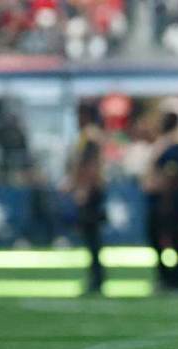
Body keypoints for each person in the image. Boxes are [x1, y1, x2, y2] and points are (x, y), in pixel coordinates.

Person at [143, 97, 178, 294]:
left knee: (168, 237)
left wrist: (166, 198)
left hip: (169, 195)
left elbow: (172, 170)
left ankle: (172, 278)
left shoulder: (177, 140)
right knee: (169, 237)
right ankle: (170, 277)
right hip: (170, 194)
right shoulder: (174, 138)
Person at [70, 100, 107, 295]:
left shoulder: (90, 136)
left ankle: (97, 278)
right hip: (92, 189)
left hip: (91, 190)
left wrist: (83, 188)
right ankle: (96, 277)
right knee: (91, 236)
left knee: (92, 236)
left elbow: (89, 165)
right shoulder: (91, 135)